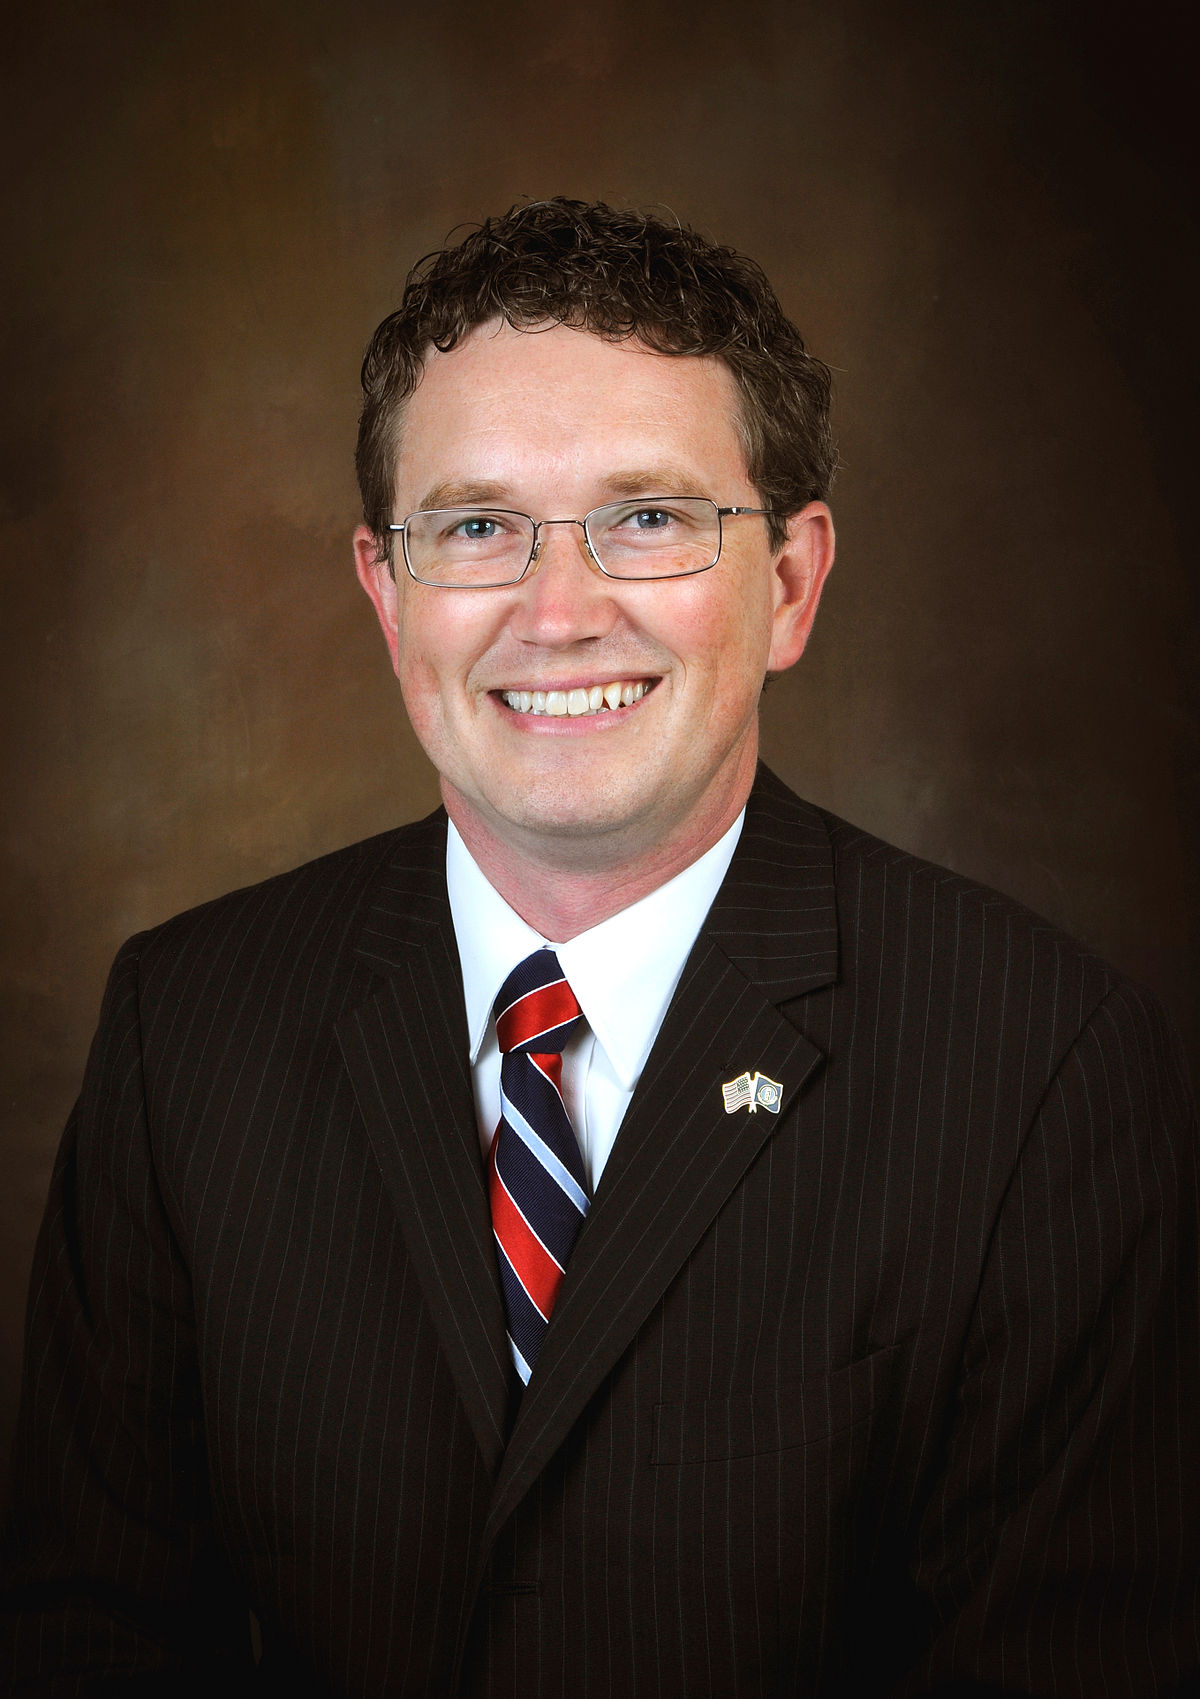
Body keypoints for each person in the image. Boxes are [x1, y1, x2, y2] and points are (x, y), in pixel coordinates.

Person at [2, 198, 1196, 1698]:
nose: (558, 614)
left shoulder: (1041, 1070)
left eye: (648, 518)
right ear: (387, 592)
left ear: (789, 584)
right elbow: (84, 1632)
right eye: (477, 528)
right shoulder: (186, 1030)